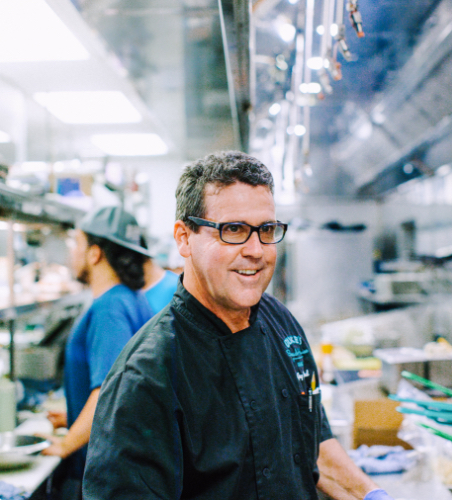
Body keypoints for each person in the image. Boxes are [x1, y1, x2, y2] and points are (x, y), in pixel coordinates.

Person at [83, 152, 394, 500]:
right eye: (233, 230)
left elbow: (315, 443)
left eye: (266, 230)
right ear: (184, 238)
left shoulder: (284, 325)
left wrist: (371, 495)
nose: (256, 250)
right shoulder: (145, 377)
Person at [41, 206, 153, 495]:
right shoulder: (133, 299)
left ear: (95, 253)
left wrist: (64, 446)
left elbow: (108, 393)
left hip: (99, 474)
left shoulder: (109, 308)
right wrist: (74, 414)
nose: (72, 253)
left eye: (77, 243)